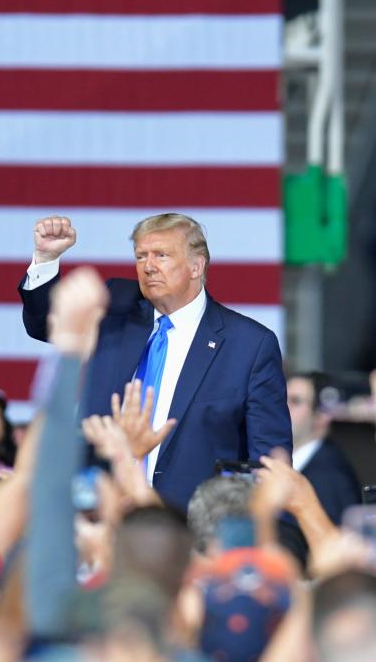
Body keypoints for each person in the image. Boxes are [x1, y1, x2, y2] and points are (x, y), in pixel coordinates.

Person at [19, 213, 291, 510]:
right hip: (101, 512)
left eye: (161, 255)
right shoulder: (114, 314)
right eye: (140, 256)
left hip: (192, 525)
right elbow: (47, 324)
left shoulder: (249, 344)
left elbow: (268, 460)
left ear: (196, 265)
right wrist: (46, 258)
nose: (148, 267)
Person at [286, 372, 361, 524]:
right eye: (280, 399)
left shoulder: (331, 477)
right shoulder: (293, 464)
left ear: (322, 416)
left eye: (295, 401)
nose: (282, 406)